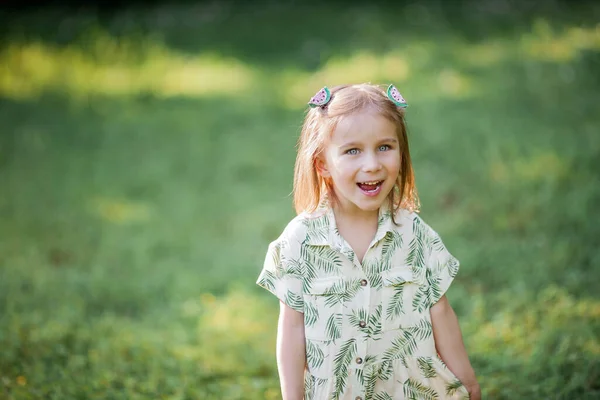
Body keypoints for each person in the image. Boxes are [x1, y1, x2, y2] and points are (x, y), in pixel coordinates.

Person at [256, 83, 481, 400]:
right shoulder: (300, 241)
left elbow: (440, 312)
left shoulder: (415, 233)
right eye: (352, 151)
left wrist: (466, 379)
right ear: (323, 165)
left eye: (385, 147)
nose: (372, 164)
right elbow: (292, 329)